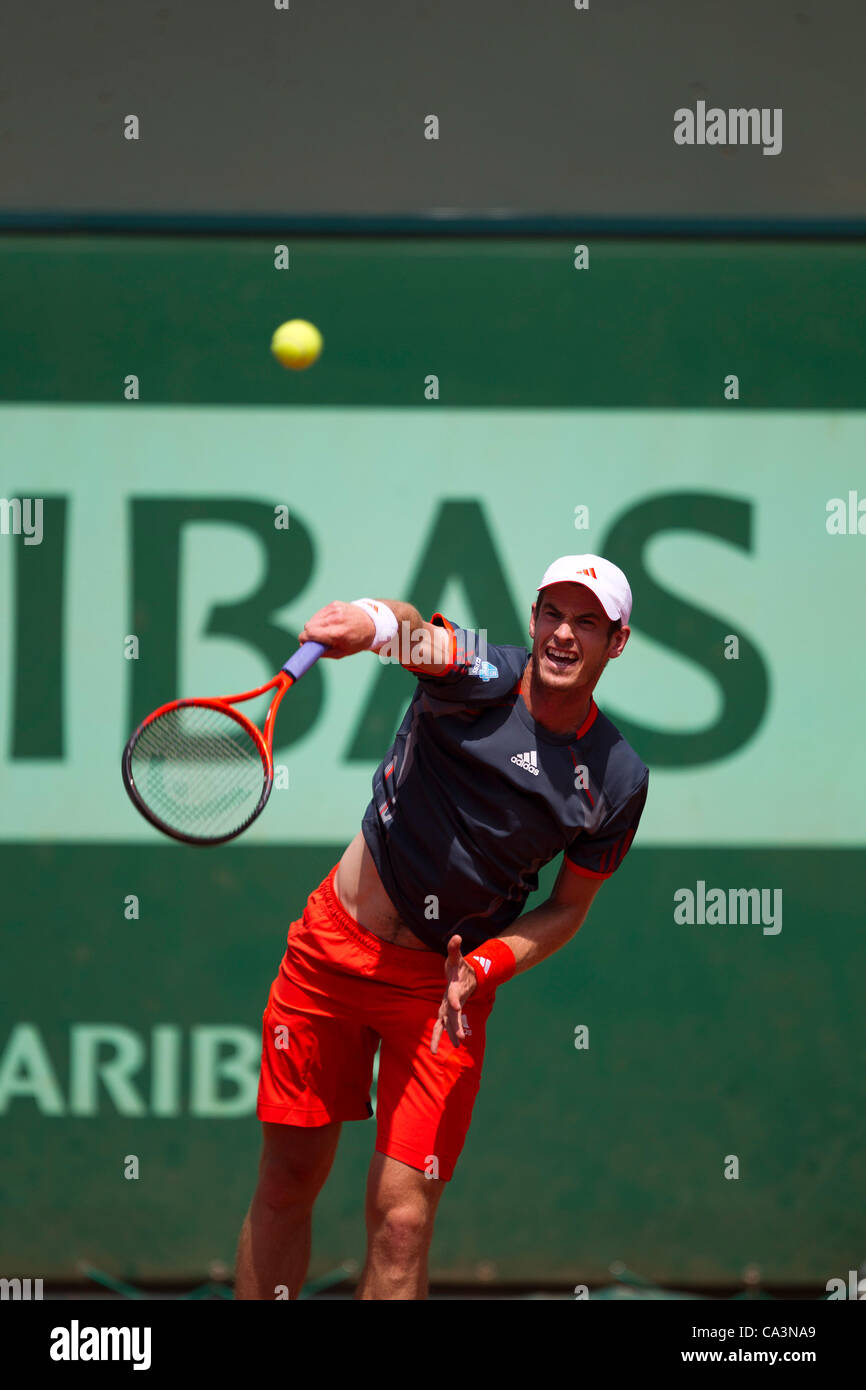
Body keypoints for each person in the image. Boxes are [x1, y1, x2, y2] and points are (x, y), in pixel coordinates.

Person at [235, 554, 649, 1300]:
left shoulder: (617, 778)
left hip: (443, 994)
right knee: (288, 1178)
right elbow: (410, 632)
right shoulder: (479, 670)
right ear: (532, 619)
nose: (563, 634)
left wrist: (486, 966)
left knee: (402, 1221)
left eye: (587, 622)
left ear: (617, 643)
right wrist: (366, 620)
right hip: (330, 954)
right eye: (553, 614)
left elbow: (566, 909)